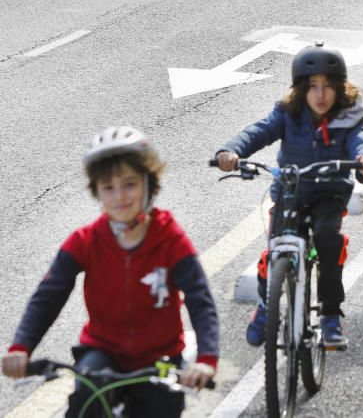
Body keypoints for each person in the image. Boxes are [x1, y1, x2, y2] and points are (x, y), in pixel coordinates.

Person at [3, 127, 219, 417]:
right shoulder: (85, 241)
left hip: (160, 357)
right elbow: (48, 296)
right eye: (108, 187)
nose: (119, 196)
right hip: (102, 351)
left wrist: (205, 358)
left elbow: (199, 298)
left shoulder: (171, 241)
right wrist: (21, 347)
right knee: (85, 402)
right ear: (97, 192)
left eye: (129, 184)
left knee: (164, 407)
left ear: (148, 184)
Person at [215, 44, 363, 350]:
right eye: (312, 87)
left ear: (340, 88)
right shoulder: (288, 113)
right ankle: (267, 305)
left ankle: (330, 314)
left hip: (329, 194)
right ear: (300, 89)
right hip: (291, 192)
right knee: (277, 248)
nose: (320, 95)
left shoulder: (348, 117)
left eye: (328, 87)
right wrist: (232, 151)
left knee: (328, 237)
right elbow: (259, 131)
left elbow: (361, 143)